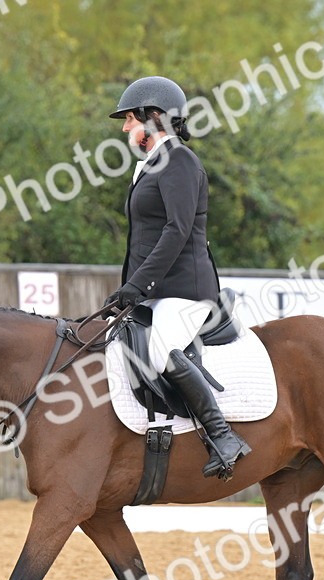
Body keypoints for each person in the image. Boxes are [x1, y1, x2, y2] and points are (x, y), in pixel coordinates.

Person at [105, 76, 250, 479]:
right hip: (155, 291)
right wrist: (130, 289)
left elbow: (177, 230)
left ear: (153, 118)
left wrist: (138, 285)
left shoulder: (180, 160)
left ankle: (223, 436)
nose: (124, 128)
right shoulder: (151, 166)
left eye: (130, 119)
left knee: (160, 350)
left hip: (186, 290)